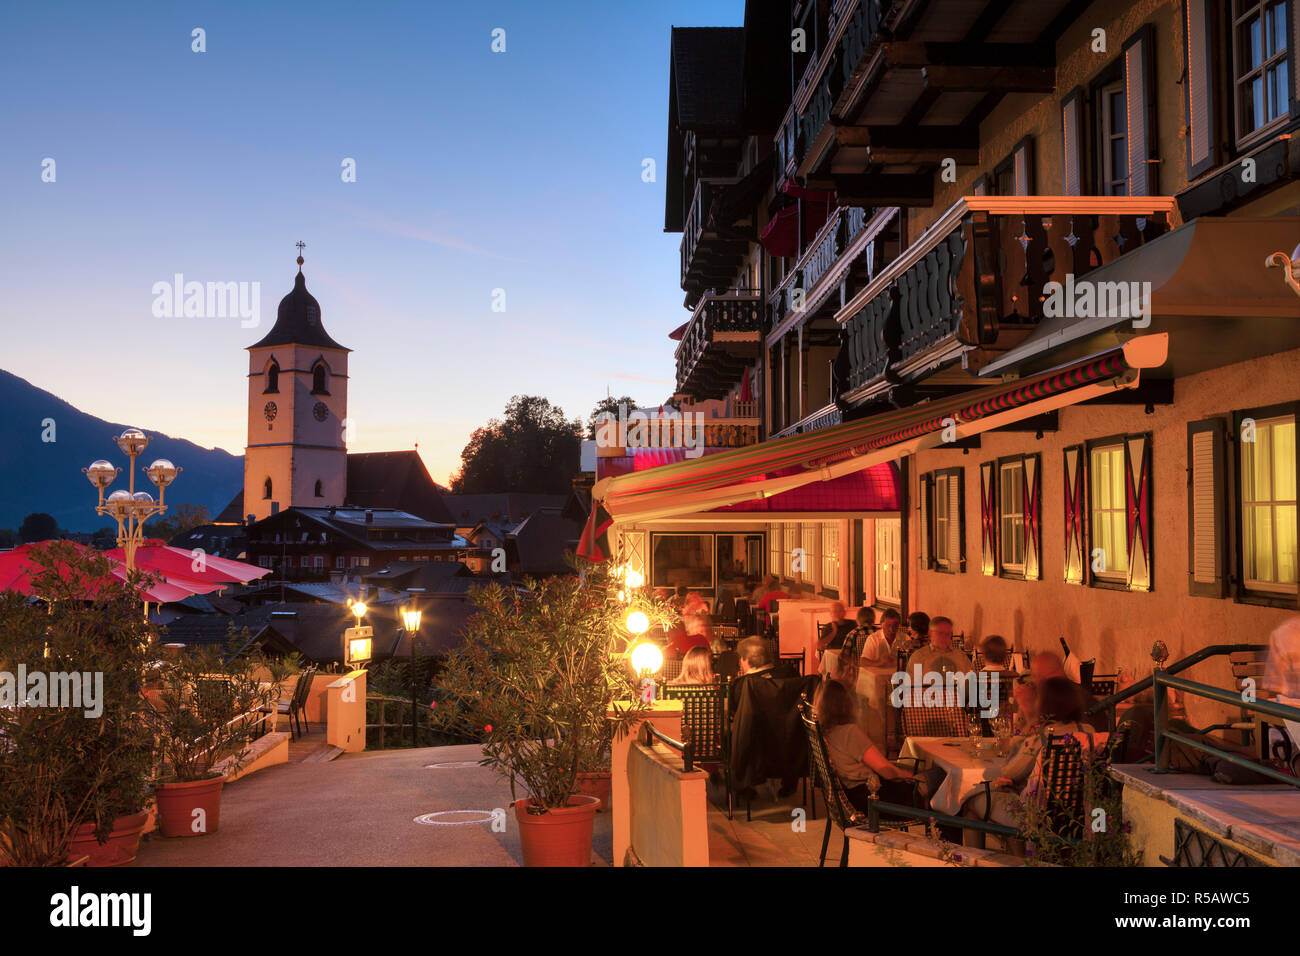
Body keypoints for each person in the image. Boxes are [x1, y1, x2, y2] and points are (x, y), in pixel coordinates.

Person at [959, 677, 1096, 831]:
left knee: (970, 802)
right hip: (1079, 813)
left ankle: (984, 854)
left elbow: (1009, 771)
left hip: (1039, 816)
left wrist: (1030, 719)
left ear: (1044, 704)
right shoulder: (1089, 732)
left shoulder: (1041, 739)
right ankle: (1019, 853)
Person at [815, 679, 930, 815]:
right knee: (938, 779)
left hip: (853, 798)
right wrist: (909, 776)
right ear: (845, 704)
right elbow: (887, 771)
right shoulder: (849, 732)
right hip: (873, 799)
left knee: (936, 785)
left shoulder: (825, 732)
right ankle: (947, 831)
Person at [905, 616, 973, 676]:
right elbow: (912, 686)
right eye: (940, 633)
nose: (944, 637)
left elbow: (971, 681)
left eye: (948, 634)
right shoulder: (919, 657)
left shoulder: (961, 657)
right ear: (930, 633)